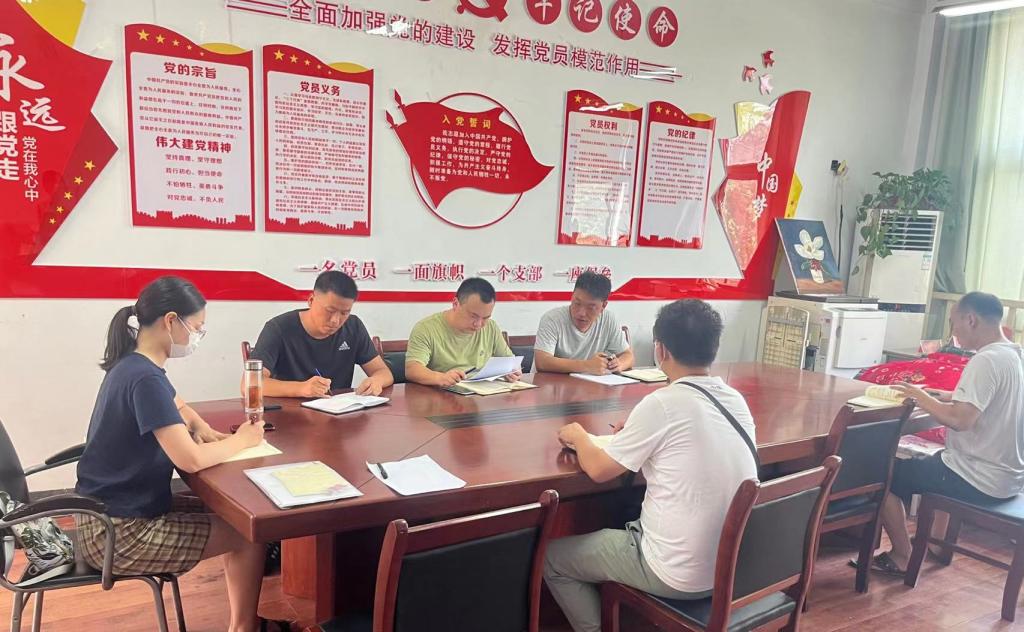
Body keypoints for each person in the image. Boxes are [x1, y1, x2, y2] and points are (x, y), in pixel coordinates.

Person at [544, 299, 758, 632]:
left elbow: (599, 471)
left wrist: (580, 437)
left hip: (675, 572)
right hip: (731, 568)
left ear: (660, 350)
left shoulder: (662, 403)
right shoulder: (735, 399)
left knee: (553, 559)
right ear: (714, 347)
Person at [75, 276, 271, 632]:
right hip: (118, 533)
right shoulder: (145, 378)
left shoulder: (135, 365)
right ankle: (245, 627)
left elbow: (176, 403)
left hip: (108, 513)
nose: (198, 336)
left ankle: (245, 622)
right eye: (197, 327)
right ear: (170, 321)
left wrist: (201, 427)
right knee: (248, 534)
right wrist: (243, 440)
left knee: (236, 516)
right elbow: (190, 460)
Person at [871, 292, 1024, 576]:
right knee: (939, 460)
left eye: (954, 323)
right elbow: (995, 397)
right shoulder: (1014, 354)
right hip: (1010, 478)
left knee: (882, 475)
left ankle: (902, 555)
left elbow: (960, 420)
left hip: (977, 477)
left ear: (971, 320)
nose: (953, 332)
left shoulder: (986, 360)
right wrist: (949, 395)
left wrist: (920, 396)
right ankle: (937, 545)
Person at [249, 270, 393, 397]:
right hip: (290, 413)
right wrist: (301, 388)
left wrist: (376, 381)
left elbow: (383, 371)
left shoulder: (353, 327)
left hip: (338, 411)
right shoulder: (279, 328)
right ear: (311, 300)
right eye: (330, 311)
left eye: (344, 313)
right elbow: (251, 383)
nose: (335, 320)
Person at [405, 277, 521, 387]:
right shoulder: (426, 328)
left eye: (485, 318)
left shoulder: (491, 327)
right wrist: (441, 378)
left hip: (482, 393)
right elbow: (412, 369)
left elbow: (510, 362)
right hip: (443, 393)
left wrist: (513, 371)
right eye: (473, 316)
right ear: (456, 304)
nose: (478, 324)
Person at [534, 271, 634, 375]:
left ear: (603, 306)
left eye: (590, 307)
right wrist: (587, 366)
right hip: (551, 383)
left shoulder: (608, 319)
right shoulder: (552, 319)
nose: (581, 313)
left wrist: (619, 364)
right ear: (572, 296)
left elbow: (628, 356)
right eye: (577, 303)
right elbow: (542, 362)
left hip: (590, 383)